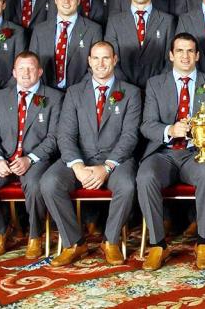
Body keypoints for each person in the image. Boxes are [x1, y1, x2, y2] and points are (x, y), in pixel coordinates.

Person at [136, 33, 205, 271]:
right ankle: (158, 244)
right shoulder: (155, 84)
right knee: (145, 176)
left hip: (197, 154)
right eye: (180, 51)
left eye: (190, 51)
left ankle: (203, 243)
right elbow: (146, 125)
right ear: (171, 55)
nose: (185, 56)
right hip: (164, 153)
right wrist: (170, 129)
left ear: (198, 55)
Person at [40, 41, 141, 266]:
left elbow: (130, 136)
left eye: (106, 58)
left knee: (127, 186)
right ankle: (74, 242)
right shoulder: (74, 93)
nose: (101, 63)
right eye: (96, 58)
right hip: (80, 158)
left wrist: (106, 167)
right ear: (89, 62)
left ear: (115, 60)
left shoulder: (131, 93)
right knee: (49, 183)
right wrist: (77, 166)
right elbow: (65, 135)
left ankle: (111, 241)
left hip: (116, 159)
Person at [0, 52, 63, 259]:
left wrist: (30, 159)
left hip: (35, 159)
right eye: (21, 69)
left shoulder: (55, 98)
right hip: (2, 158)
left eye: (30, 69)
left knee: (36, 186)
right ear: (14, 72)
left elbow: (55, 137)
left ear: (39, 72)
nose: (26, 73)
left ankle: (35, 235)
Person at [103, 0, 176, 90]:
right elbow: (111, 59)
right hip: (123, 90)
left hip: (158, 90)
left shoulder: (167, 21)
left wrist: (156, 85)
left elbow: (171, 60)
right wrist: (127, 87)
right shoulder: (114, 22)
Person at [28, 0, 103, 90]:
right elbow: (32, 63)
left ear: (78, 1)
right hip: (45, 92)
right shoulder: (40, 30)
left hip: (80, 92)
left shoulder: (93, 30)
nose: (66, 1)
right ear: (55, 0)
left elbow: (95, 66)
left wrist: (78, 91)